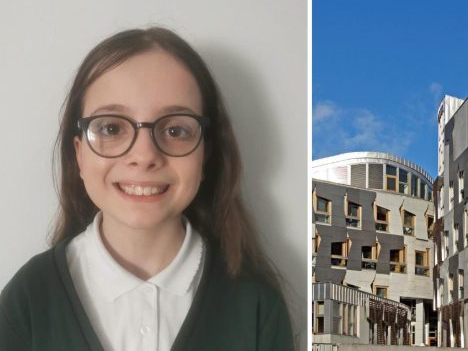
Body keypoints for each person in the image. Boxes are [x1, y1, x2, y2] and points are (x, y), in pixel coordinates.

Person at [0, 27, 293, 351]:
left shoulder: (256, 303)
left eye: (175, 129)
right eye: (111, 127)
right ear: (79, 154)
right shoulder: (27, 300)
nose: (144, 156)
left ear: (205, 154)